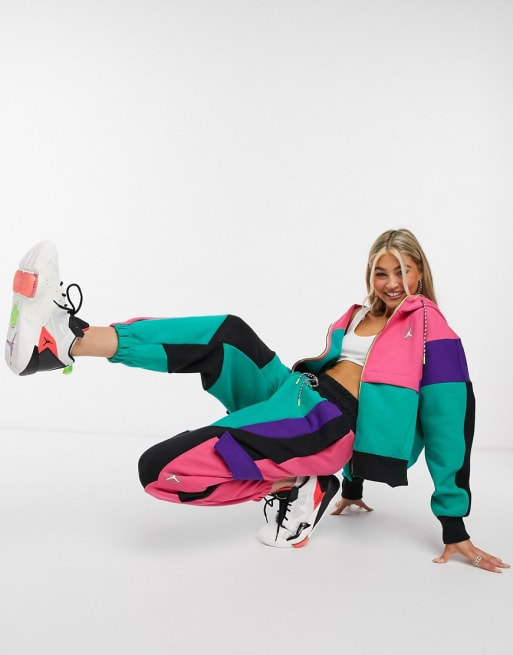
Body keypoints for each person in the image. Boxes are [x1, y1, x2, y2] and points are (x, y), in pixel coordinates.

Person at [5, 230, 509, 573]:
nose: (393, 283)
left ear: (420, 273)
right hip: (297, 392)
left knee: (157, 467)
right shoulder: (356, 315)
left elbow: (449, 423)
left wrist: (454, 526)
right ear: (369, 275)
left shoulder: (431, 328)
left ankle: (300, 481)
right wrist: (353, 486)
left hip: (326, 420)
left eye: (403, 270)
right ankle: (63, 342)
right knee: (228, 333)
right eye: (382, 272)